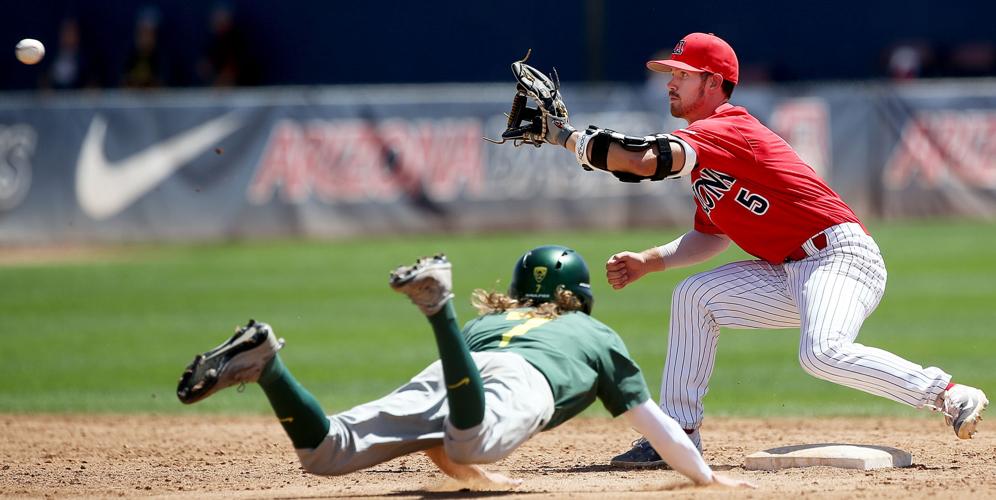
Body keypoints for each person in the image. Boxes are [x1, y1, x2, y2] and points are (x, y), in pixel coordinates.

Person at [521, 32, 989, 467]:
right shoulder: (708, 155)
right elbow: (712, 235)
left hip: (840, 257)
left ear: (713, 81)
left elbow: (642, 161)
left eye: (682, 74)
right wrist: (651, 260)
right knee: (694, 296)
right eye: (671, 74)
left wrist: (565, 137)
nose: (670, 83)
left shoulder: (727, 128)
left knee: (822, 353)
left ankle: (948, 393)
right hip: (789, 270)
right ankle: (678, 435)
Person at [176, 245, 754, 488]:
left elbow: (445, 425)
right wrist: (706, 477)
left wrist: (473, 477)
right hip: (522, 382)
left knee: (324, 454)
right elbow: (656, 425)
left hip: (465, 367)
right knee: (474, 439)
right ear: (579, 295)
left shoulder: (492, 322)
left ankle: (268, 363)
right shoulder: (595, 334)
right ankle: (438, 307)